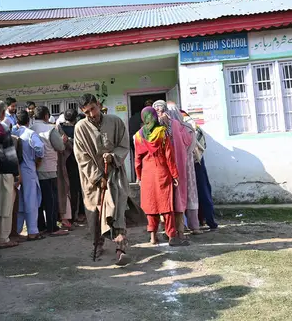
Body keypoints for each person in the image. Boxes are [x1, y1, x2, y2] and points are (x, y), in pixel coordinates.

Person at [74, 94, 131, 265]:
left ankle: (121, 248)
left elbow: (124, 145)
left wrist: (113, 157)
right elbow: (82, 157)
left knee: (118, 210)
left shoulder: (115, 121)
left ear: (98, 104)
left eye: (93, 109)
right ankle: (97, 244)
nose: (91, 114)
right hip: (92, 180)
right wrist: (98, 177)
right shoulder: (80, 128)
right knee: (95, 213)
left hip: (115, 174)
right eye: (87, 112)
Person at [134, 107, 187, 246]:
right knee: (166, 206)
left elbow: (137, 159)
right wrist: (175, 174)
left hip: (147, 174)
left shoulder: (138, 136)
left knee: (151, 205)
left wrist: (139, 176)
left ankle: (153, 237)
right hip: (162, 172)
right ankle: (172, 237)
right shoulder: (162, 132)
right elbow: (169, 157)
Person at [30, 105, 69, 237]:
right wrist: (63, 142)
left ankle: (40, 226)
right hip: (49, 168)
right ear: (46, 116)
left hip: (34, 168)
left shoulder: (31, 128)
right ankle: (52, 227)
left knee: (39, 200)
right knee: (51, 199)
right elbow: (60, 147)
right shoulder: (50, 129)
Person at [0, 100, 21, 248]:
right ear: (3, 113)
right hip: (4, 171)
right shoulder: (2, 127)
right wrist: (16, 174)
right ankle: (3, 238)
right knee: (5, 206)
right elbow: (9, 153)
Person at [165, 102, 201, 235]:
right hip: (189, 166)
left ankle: (181, 226)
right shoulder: (189, 128)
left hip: (174, 166)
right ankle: (195, 226)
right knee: (191, 193)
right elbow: (192, 147)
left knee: (176, 195)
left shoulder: (170, 130)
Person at [13, 110, 45, 241]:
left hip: (16, 170)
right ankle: (32, 231)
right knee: (31, 200)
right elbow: (40, 149)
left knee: (19, 200)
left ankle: (17, 230)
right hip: (29, 168)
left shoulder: (14, 133)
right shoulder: (30, 133)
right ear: (28, 121)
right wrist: (38, 159)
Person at [59, 109, 86, 225]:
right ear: (75, 119)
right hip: (77, 162)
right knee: (79, 189)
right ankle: (79, 213)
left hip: (64, 162)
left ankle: (69, 215)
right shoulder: (79, 128)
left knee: (68, 190)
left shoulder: (59, 128)